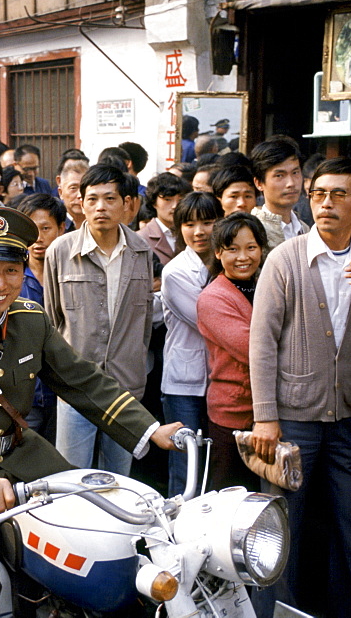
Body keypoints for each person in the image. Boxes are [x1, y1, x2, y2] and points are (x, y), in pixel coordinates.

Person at [0, 206, 183, 613]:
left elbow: (82, 380)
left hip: (26, 456)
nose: (0, 284)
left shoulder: (30, 319)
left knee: (108, 534)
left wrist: (151, 430)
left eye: (11, 271)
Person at [249, 157, 351, 618]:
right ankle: (274, 613)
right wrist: (266, 416)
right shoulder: (286, 257)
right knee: (278, 530)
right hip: (293, 416)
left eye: (339, 195)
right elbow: (262, 341)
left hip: (349, 417)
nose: (326, 204)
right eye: (319, 194)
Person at [45, 165, 154, 476]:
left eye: (109, 199)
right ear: (80, 203)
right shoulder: (60, 251)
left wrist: (136, 365)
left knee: (119, 477)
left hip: (126, 387)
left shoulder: (141, 251)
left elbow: (142, 322)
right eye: (92, 199)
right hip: (77, 384)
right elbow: (52, 320)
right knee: (72, 477)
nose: (100, 207)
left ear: (126, 204)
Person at [197, 212, 268, 491]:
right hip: (233, 414)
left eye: (251, 248)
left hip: (266, 413)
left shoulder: (266, 286)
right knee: (231, 496)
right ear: (218, 252)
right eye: (232, 249)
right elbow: (253, 350)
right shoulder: (213, 297)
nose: (243, 257)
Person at [161, 192, 224, 496]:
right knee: (186, 468)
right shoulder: (174, 272)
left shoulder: (227, 262)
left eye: (208, 222)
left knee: (214, 462)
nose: (199, 232)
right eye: (189, 224)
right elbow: (209, 320)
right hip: (183, 383)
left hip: (220, 380)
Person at [9, 193, 67, 442]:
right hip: (24, 393)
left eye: (46, 228)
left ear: (61, 229)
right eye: (32, 229)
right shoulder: (11, 277)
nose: (39, 238)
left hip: (62, 389)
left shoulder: (71, 275)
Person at [250, 135, 309, 249]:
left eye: (295, 173)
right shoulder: (252, 230)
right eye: (279, 175)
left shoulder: (305, 229)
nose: (291, 183)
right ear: (259, 183)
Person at [137, 171, 190, 264]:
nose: (175, 206)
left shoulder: (192, 233)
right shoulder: (139, 239)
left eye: (180, 200)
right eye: (167, 199)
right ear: (154, 202)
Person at [55, 149, 89, 231]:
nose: (79, 195)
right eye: (73, 188)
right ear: (61, 192)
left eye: (84, 188)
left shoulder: (100, 225)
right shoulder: (55, 225)